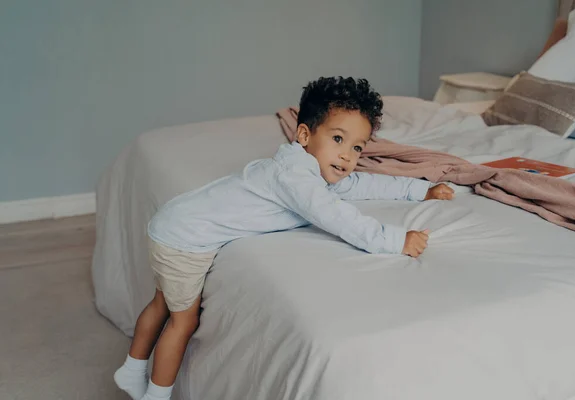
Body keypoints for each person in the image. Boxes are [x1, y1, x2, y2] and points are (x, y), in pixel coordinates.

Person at [114, 76, 454, 400]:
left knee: (161, 304)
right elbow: (339, 218)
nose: (348, 156)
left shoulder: (306, 167)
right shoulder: (297, 179)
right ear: (305, 135)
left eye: (357, 147)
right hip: (184, 242)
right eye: (338, 140)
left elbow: (362, 184)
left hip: (174, 224)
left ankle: (132, 369)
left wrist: (420, 190)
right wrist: (396, 240)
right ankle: (156, 395)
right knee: (182, 320)